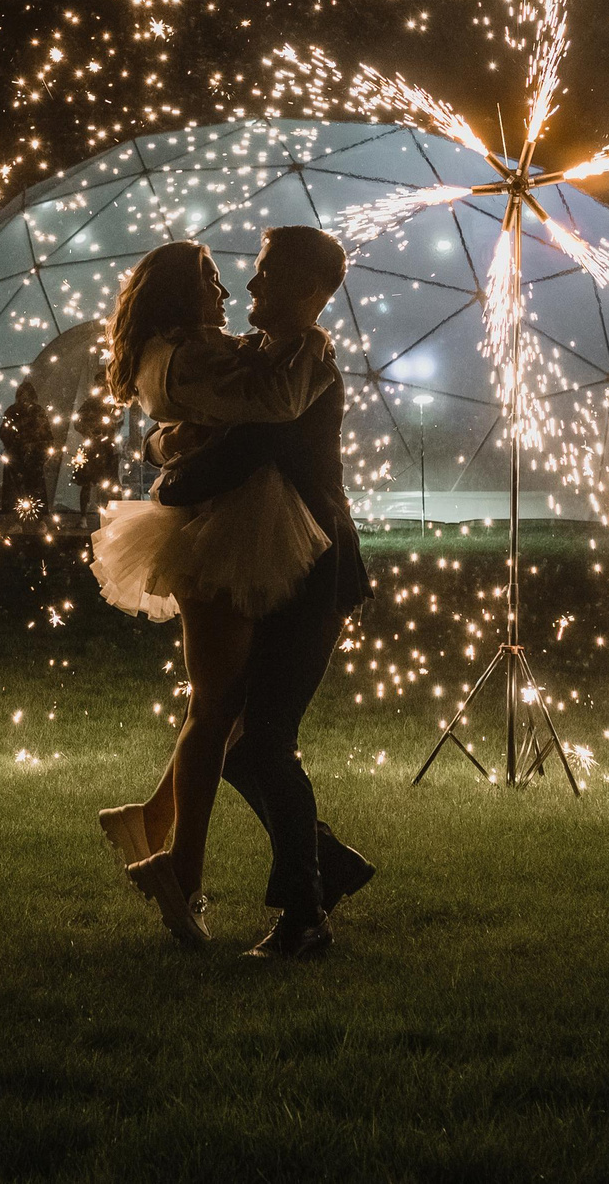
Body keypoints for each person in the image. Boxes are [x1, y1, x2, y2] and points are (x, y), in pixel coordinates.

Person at [85, 238, 341, 948]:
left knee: (226, 709)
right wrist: (168, 450)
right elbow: (265, 404)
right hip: (234, 533)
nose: (229, 292)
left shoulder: (186, 352)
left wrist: (164, 446)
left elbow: (212, 415)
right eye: (211, 281)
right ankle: (183, 865)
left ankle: (161, 830)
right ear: (174, 293)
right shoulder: (197, 356)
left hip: (241, 530)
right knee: (222, 711)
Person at [145, 225, 376, 961]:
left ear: (309, 292)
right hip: (293, 572)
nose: (250, 288)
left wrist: (168, 478)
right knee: (247, 741)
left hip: (319, 571)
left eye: (268, 276)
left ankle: (305, 916)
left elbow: (247, 445)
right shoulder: (278, 354)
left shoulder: (304, 365)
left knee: (262, 742)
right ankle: (325, 868)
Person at [0, 378, 59, 518]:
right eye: (21, 394)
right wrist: (14, 443)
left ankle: (37, 519)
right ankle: (17, 520)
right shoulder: (12, 411)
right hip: (16, 457)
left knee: (34, 487)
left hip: (33, 457)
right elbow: (4, 432)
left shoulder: (36, 411)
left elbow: (45, 434)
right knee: (17, 489)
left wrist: (36, 447)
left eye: (26, 394)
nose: (24, 398)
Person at [67, 368, 120, 525]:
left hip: (108, 448)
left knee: (108, 485)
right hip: (92, 448)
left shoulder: (114, 403)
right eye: (99, 384)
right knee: (87, 483)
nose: (102, 386)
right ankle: (84, 518)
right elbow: (77, 421)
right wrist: (89, 432)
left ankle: (109, 518)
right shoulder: (90, 403)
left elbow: (118, 421)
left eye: (104, 383)